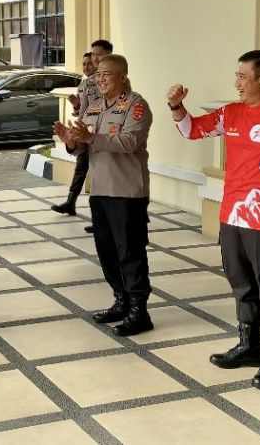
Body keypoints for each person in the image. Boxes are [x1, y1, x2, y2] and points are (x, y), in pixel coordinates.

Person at [169, 50, 260, 391]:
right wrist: (176, 107)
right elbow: (192, 130)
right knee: (241, 284)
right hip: (232, 214)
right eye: (236, 75)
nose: (236, 82)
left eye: (242, 76)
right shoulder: (231, 113)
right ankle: (249, 345)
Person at [55, 53, 154, 336]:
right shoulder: (95, 106)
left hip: (127, 192)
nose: (99, 79)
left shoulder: (136, 105)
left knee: (130, 252)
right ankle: (121, 301)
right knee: (107, 251)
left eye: (106, 74)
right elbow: (83, 146)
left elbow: (129, 141)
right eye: (97, 75)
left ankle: (139, 311)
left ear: (122, 76)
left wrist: (90, 138)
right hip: (99, 191)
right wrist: (70, 141)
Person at [52, 40, 111, 219]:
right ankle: (71, 203)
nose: (94, 59)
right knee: (82, 166)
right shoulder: (86, 84)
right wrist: (78, 112)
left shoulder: (112, 80)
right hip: (87, 132)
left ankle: (104, 217)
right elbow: (86, 110)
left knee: (104, 172)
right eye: (92, 55)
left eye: (98, 55)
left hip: (104, 133)